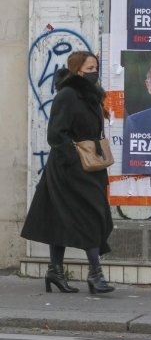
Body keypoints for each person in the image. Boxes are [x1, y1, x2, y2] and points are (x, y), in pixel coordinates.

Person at [21, 51, 114, 294]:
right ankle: (95, 275)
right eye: (90, 68)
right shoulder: (68, 95)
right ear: (77, 71)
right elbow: (55, 134)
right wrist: (73, 159)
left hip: (89, 167)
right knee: (90, 217)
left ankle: (55, 271)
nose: (95, 72)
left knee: (60, 219)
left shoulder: (90, 96)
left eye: (96, 67)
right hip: (69, 169)